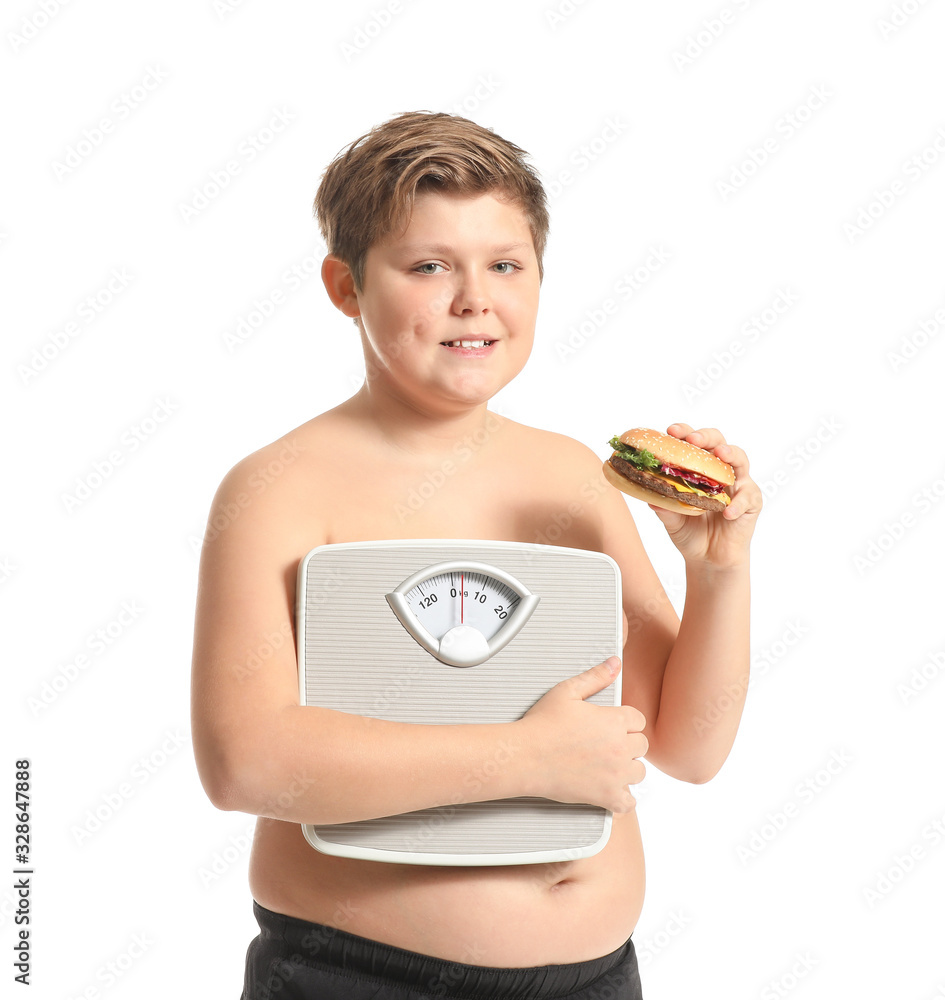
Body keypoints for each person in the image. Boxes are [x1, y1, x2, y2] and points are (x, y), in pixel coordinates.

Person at [190, 110, 762, 999]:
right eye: (429, 266)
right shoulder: (277, 489)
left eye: (505, 264)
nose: (474, 299)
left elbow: (688, 747)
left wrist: (717, 570)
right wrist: (526, 759)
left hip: (596, 976)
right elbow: (246, 764)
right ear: (345, 287)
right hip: (357, 976)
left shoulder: (569, 478)